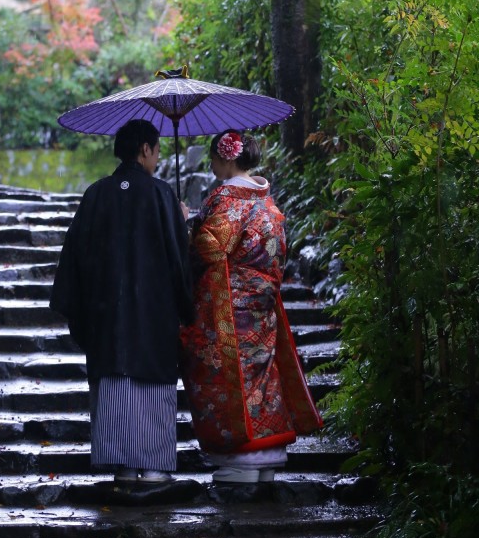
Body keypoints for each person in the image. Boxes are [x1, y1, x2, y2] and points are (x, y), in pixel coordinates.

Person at [50, 118, 193, 491]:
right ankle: (155, 468)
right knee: (151, 384)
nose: (158, 158)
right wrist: (180, 223)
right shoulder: (161, 194)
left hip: (107, 314)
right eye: (157, 150)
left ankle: (124, 468)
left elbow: (74, 257)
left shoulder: (97, 193)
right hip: (153, 313)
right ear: (145, 149)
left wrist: (83, 310)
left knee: (115, 382)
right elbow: (179, 259)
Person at [180, 130, 323, 495]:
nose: (212, 165)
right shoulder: (265, 200)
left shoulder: (227, 198)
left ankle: (240, 459)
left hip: (228, 304)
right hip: (262, 303)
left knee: (224, 374)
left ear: (227, 157)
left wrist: (187, 224)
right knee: (262, 375)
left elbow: (210, 249)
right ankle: (268, 455)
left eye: (214, 158)